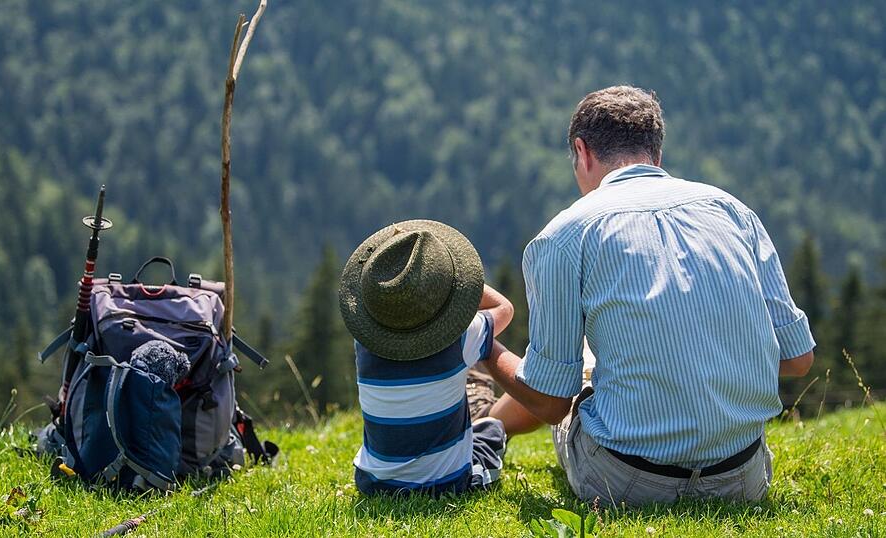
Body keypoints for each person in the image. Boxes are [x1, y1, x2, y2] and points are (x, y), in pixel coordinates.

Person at [484, 85, 815, 506]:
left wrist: (483, 348)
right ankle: (486, 426)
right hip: (743, 478)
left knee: (581, 364)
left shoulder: (565, 236)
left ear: (582, 152)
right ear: (656, 154)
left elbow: (551, 401)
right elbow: (799, 360)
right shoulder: (733, 211)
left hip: (624, 483)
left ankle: (484, 430)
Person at [338, 219, 514, 495]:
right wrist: (458, 283)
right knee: (492, 430)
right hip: (446, 485)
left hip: (373, 483)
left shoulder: (364, 342)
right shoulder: (462, 338)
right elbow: (504, 307)